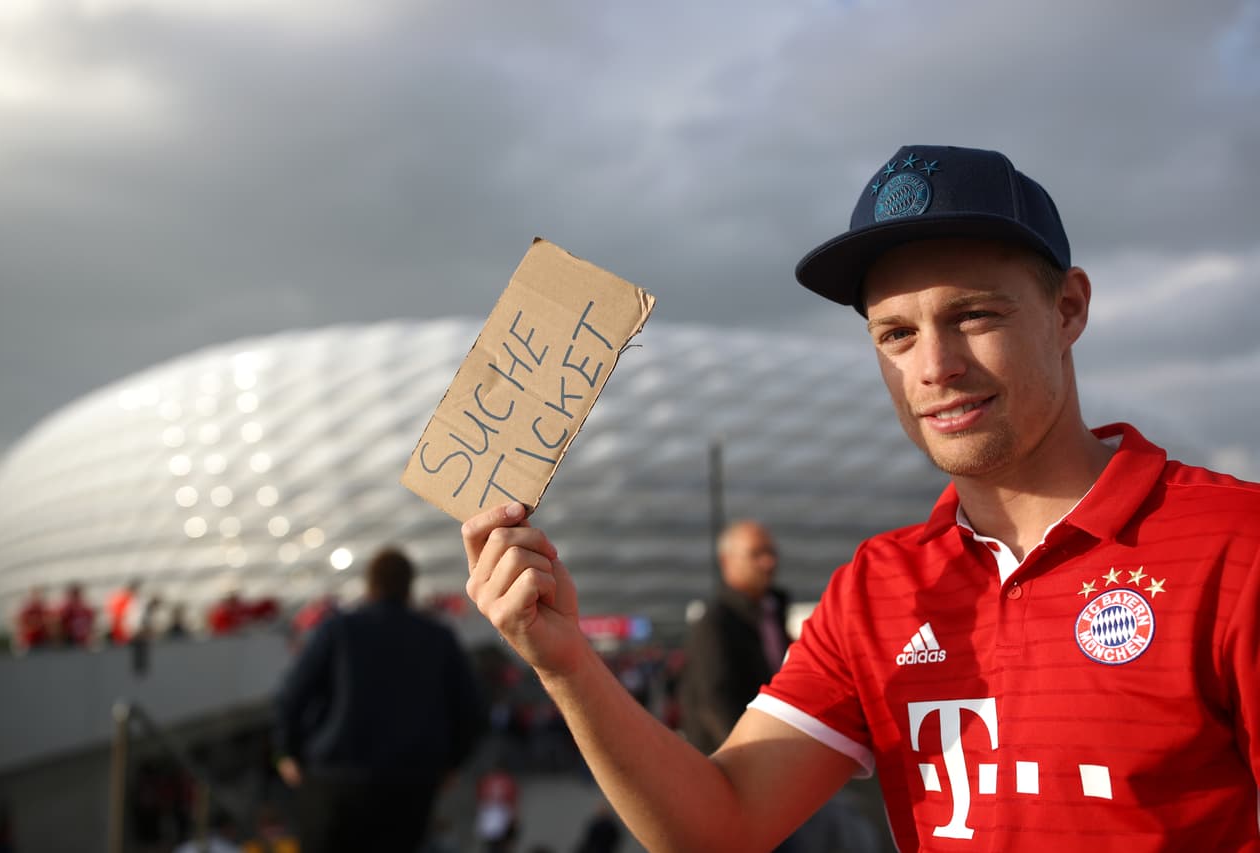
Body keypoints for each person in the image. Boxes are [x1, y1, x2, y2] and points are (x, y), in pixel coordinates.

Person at [459, 144, 1260, 852]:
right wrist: (565, 663)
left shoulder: (1235, 546)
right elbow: (722, 823)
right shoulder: (878, 590)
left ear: (1069, 308)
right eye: (896, 334)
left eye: (975, 314)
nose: (935, 366)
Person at [273, 546, 487, 852]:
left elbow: (291, 696)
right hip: (408, 786)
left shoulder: (338, 629)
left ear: (369, 582)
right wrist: (451, 763)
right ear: (410, 584)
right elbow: (471, 710)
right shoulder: (438, 637)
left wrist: (287, 753)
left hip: (334, 781)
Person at [679, 519, 789, 755]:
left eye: (771, 552)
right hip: (735, 761)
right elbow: (714, 700)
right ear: (727, 562)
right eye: (756, 554)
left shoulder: (773, 611)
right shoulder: (714, 623)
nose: (768, 562)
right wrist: (748, 755)